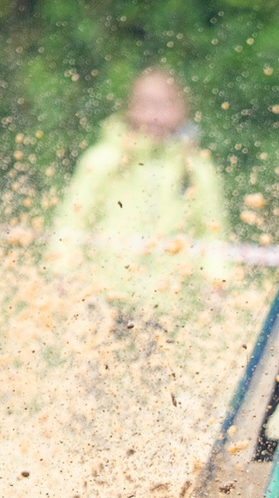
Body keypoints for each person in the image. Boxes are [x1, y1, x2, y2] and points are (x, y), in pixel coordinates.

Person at [47, 68, 229, 322]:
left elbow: (212, 231)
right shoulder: (102, 159)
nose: (155, 116)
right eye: (147, 104)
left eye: (165, 105)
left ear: (182, 110)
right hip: (102, 297)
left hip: (167, 306)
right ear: (130, 109)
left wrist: (216, 281)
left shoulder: (197, 169)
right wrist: (61, 271)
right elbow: (73, 220)